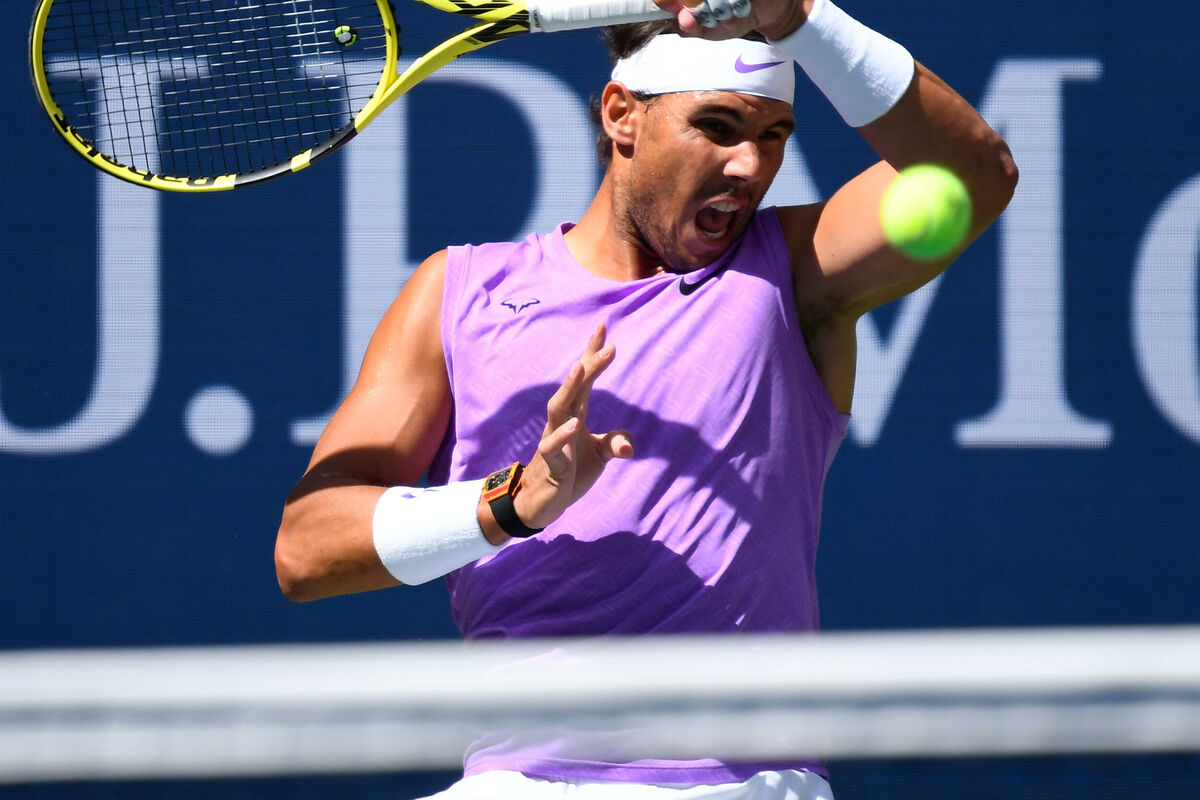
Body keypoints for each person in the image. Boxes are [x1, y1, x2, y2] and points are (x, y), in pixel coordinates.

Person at [275, 0, 1017, 795]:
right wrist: (510, 503)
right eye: (718, 127)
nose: (750, 166)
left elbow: (978, 175)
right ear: (621, 115)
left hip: (745, 784)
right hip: (519, 782)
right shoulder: (458, 292)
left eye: (773, 136)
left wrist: (800, 17)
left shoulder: (796, 274)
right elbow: (306, 549)